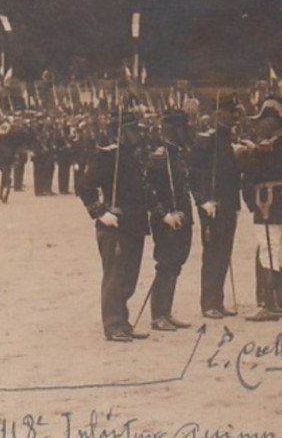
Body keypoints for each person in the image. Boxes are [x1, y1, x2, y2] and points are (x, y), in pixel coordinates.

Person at [76, 110, 151, 342]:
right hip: (115, 225)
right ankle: (113, 325)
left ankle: (123, 322)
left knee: (129, 277)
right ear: (120, 133)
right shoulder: (108, 156)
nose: (137, 134)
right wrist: (100, 213)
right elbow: (84, 185)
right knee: (115, 276)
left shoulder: (135, 156)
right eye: (132, 130)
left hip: (135, 224)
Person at [239, 97, 282, 321]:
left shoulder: (268, 149)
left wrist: (249, 155)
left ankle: (270, 303)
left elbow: (253, 172)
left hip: (268, 202)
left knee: (269, 249)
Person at [188, 94, 242, 319]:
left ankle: (218, 302)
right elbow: (193, 173)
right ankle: (208, 303)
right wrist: (202, 200)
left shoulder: (229, 138)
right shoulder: (206, 139)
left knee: (224, 253)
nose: (237, 116)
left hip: (229, 204)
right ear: (220, 114)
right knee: (212, 254)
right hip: (212, 205)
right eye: (232, 112)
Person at [146, 110, 194, 331]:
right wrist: (164, 215)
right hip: (167, 220)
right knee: (166, 263)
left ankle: (166, 311)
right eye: (182, 128)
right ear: (171, 130)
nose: (186, 132)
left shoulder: (177, 154)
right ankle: (158, 315)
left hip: (182, 217)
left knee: (176, 263)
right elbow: (152, 191)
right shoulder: (160, 157)